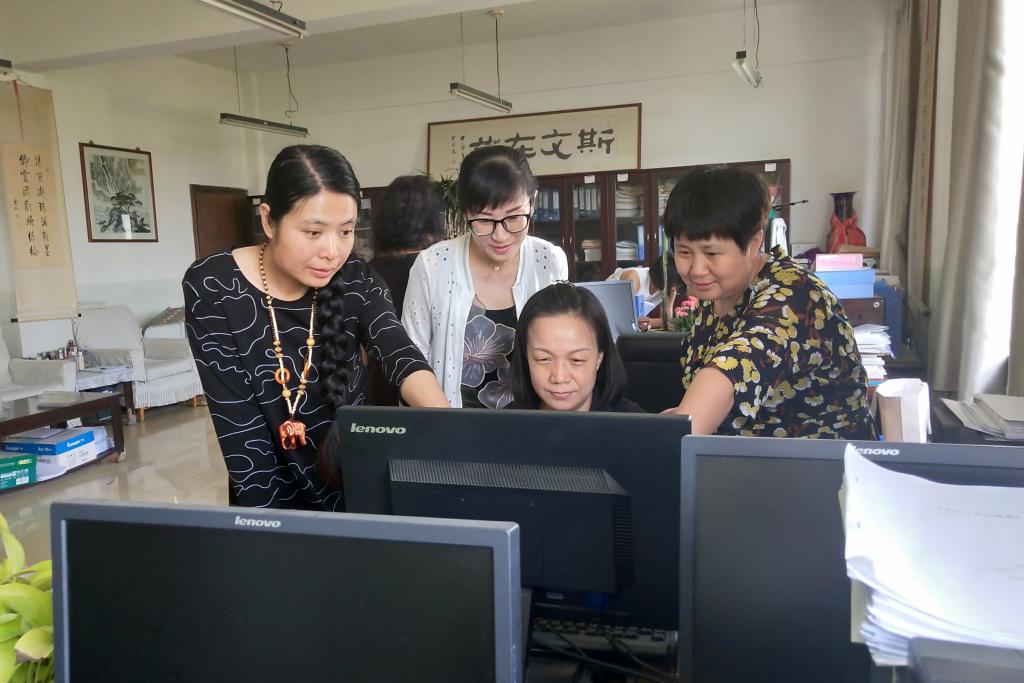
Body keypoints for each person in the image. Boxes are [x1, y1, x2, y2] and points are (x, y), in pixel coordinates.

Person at [184, 144, 447, 510]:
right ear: (268, 221)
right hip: (264, 489)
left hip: (353, 478)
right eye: (313, 232)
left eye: (346, 231)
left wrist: (450, 427)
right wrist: (278, 528)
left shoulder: (357, 279)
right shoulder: (215, 285)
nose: (332, 252)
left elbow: (400, 353)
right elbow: (239, 428)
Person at [661, 165, 877, 439]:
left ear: (754, 243)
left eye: (712, 253)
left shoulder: (794, 297)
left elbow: (732, 368)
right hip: (741, 456)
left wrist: (677, 431)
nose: (697, 269)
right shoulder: (717, 292)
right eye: (684, 252)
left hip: (819, 462)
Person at [403, 145, 568, 409]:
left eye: (514, 217)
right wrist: (442, 423)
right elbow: (410, 359)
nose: (500, 236)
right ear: (465, 212)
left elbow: (563, 350)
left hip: (533, 423)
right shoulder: (432, 265)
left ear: (533, 201)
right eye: (484, 220)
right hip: (449, 421)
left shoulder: (549, 261)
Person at [365, 175, 446, 406]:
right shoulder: (438, 269)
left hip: (381, 395)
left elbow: (361, 354)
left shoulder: (367, 273)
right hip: (433, 394)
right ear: (431, 221)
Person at [508, 282, 645, 413]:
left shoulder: (635, 424)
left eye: (576, 360)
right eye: (543, 359)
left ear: (599, 358)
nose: (559, 377)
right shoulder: (503, 423)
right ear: (526, 358)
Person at [606, 255, 682, 331]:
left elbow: (668, 323)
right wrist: (657, 322)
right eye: (674, 284)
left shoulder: (671, 289)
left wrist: (659, 323)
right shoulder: (634, 279)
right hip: (606, 315)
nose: (675, 288)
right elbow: (626, 319)